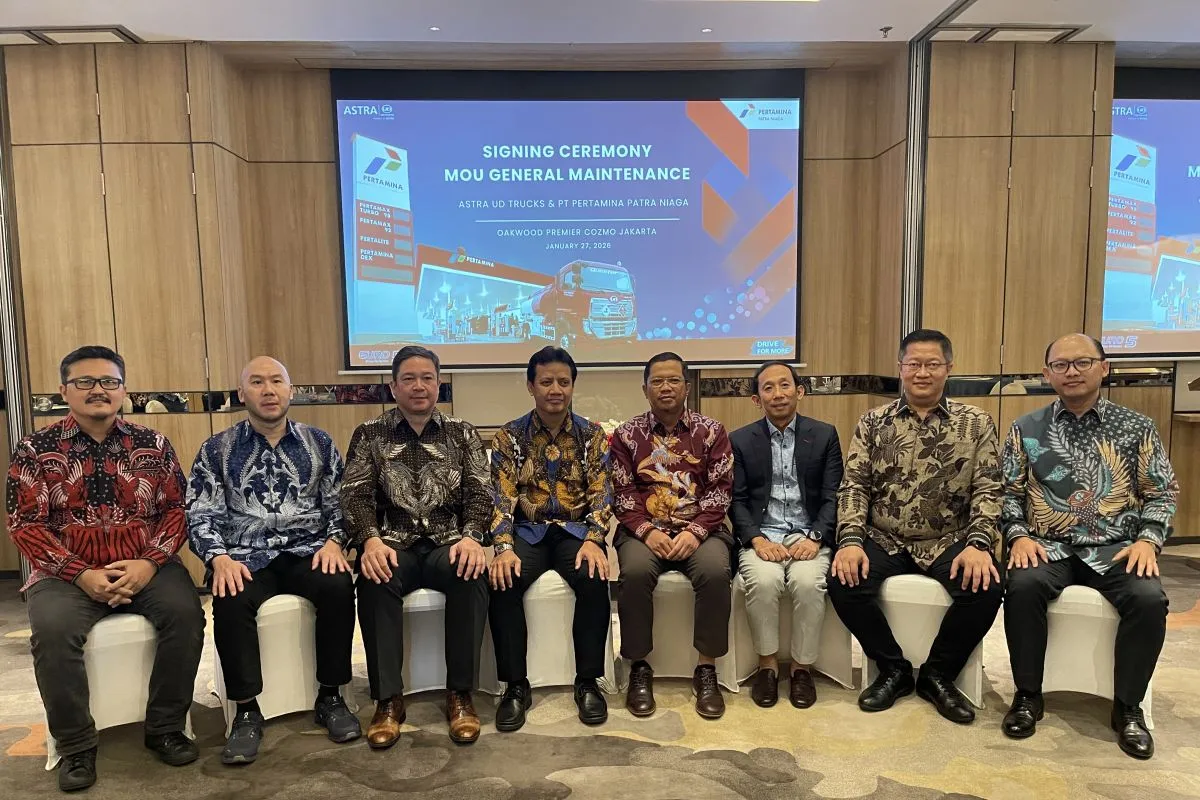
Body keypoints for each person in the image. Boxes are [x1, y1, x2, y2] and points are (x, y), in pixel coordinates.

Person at [7, 346, 204, 792]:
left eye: (109, 382)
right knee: (53, 633)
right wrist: (81, 574)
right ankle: (76, 745)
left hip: (146, 564)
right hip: (64, 574)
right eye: (85, 382)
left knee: (186, 615)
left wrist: (149, 563)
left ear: (123, 389)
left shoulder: (153, 444)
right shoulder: (35, 449)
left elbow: (178, 509)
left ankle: (166, 727)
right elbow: (24, 523)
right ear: (64, 391)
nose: (98, 390)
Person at [1000, 334, 1177, 759]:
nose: (1072, 372)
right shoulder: (1026, 428)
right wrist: (1018, 535)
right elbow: (1007, 493)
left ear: (1104, 367)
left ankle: (1128, 707)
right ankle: (1027, 696)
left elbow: (1162, 492)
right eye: (1061, 365)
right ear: (1047, 374)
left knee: (1148, 599)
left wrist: (1148, 541)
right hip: (1048, 546)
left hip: (1117, 548)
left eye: (1082, 362)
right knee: (1021, 587)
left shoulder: (1136, 428)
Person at [186, 356, 360, 765]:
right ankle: (247, 711)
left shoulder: (319, 443)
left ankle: (331, 696)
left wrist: (335, 542)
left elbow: (341, 503)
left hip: (307, 550)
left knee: (338, 586)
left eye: (277, 381)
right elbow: (199, 512)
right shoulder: (217, 449)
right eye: (257, 382)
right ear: (241, 392)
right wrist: (218, 557)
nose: (268, 390)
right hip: (245, 556)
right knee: (229, 597)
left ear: (290, 390)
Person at [828, 329, 1003, 724]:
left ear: (949, 368)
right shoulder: (874, 422)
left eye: (932, 364)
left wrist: (978, 543)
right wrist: (850, 540)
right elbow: (854, 484)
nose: (922, 373)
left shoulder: (976, 423)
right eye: (914, 364)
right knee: (843, 581)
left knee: (986, 587)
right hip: (884, 537)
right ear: (901, 368)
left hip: (948, 539)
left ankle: (938, 675)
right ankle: (893, 669)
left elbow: (989, 487)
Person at [341, 345, 491, 747]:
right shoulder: (370, 434)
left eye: (427, 378)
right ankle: (389, 700)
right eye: (408, 379)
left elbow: (481, 491)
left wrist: (472, 537)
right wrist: (370, 540)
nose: (419, 386)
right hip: (393, 543)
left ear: (439, 384)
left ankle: (460, 694)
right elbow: (355, 495)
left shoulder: (463, 432)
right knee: (374, 578)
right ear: (393, 386)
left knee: (471, 572)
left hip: (448, 541)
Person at [488, 347, 613, 731]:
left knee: (594, 576)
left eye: (563, 381)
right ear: (531, 386)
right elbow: (501, 497)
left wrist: (594, 538)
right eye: (546, 382)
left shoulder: (593, 436)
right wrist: (503, 547)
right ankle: (515, 686)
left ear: (573, 385)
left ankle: (588, 682)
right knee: (502, 580)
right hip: (528, 531)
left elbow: (603, 493)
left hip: (576, 533)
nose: (555, 389)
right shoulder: (509, 436)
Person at [611, 352, 734, 719]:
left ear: (687, 386)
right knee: (634, 573)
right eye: (657, 381)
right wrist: (646, 531)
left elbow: (721, 490)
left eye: (674, 380)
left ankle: (706, 668)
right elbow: (621, 492)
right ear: (645, 389)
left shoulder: (712, 431)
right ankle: (639, 667)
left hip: (702, 530)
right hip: (644, 532)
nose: (666, 387)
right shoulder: (626, 435)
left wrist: (695, 532)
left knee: (715, 572)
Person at [729, 361, 843, 709]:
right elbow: (737, 500)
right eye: (768, 388)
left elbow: (833, 495)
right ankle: (767, 666)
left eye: (785, 385)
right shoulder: (740, 440)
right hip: (763, 534)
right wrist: (756, 540)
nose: (777, 394)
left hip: (808, 534)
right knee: (763, 583)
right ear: (756, 399)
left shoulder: (824, 435)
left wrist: (817, 536)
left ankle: (801, 669)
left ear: (800, 391)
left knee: (809, 585)